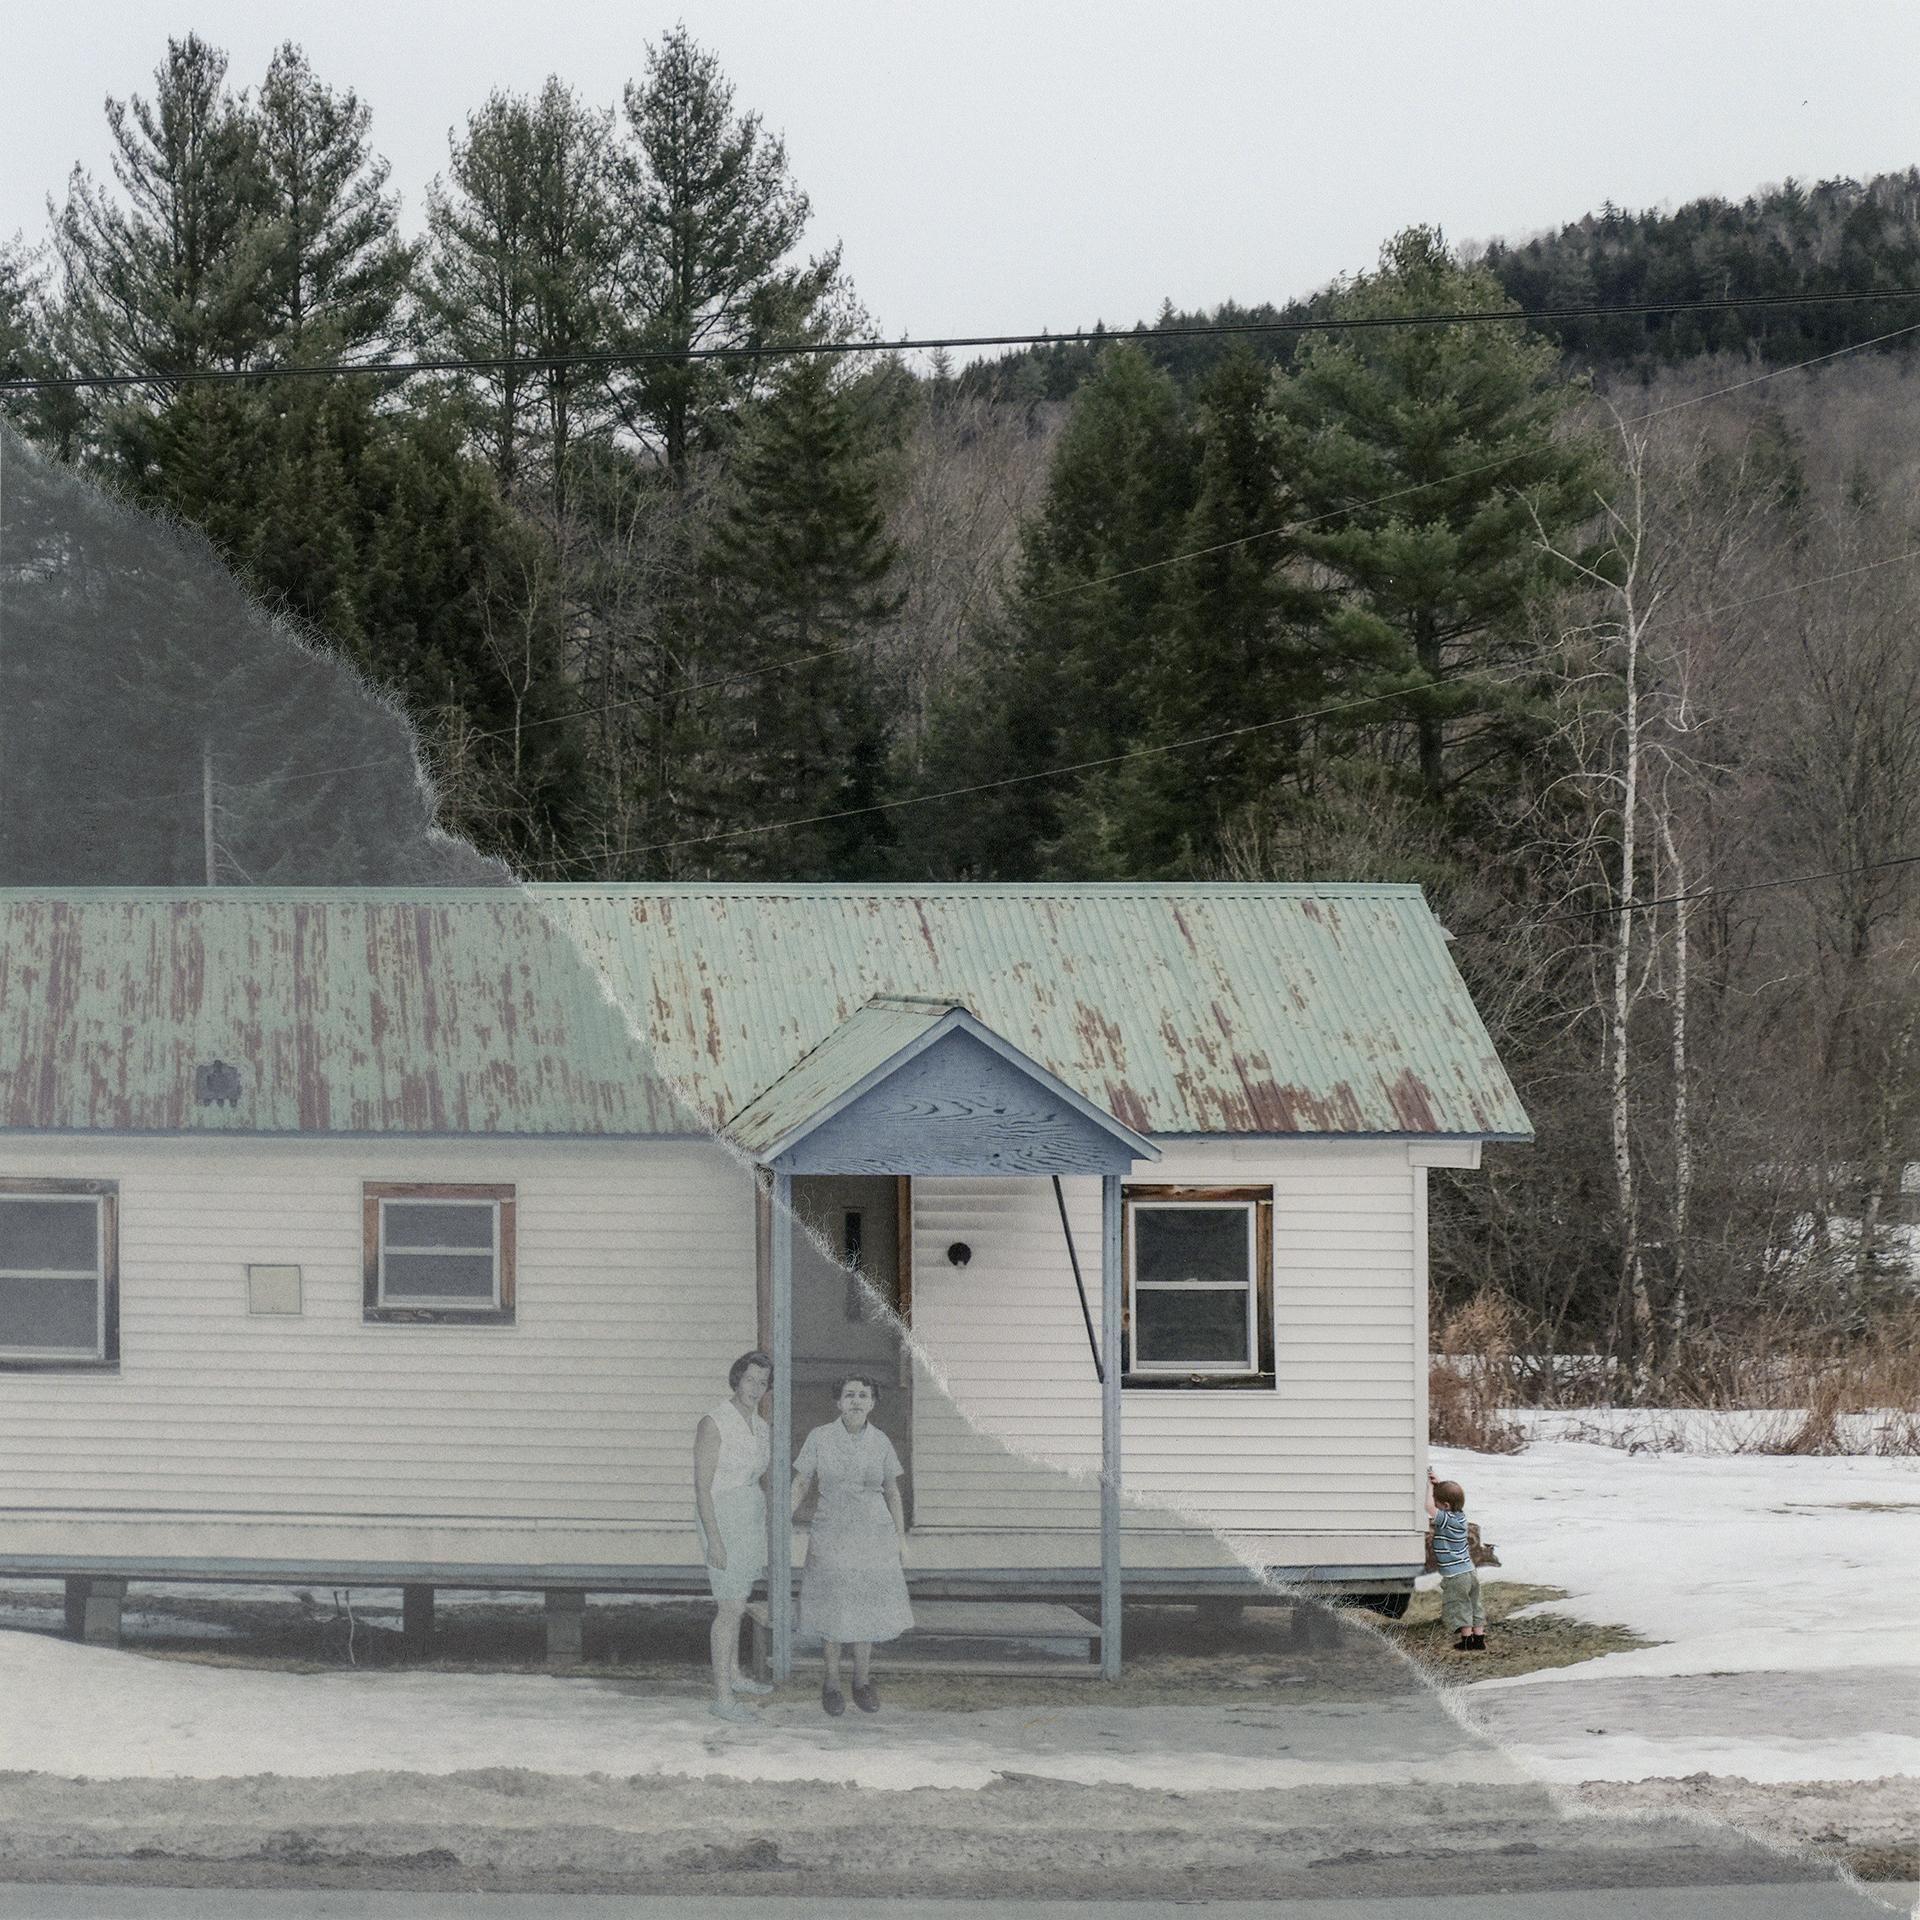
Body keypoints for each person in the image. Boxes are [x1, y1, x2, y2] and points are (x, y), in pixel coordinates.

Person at [791, 1373, 912, 1716]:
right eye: (849, 1395)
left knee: (866, 1610)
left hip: (873, 1535)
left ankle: (861, 1682)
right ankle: (830, 1684)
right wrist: (780, 1518)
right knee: (834, 1609)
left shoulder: (881, 1442)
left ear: (873, 1402)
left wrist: (900, 1538)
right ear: (838, 1402)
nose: (856, 1401)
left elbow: (892, 1491)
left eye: (863, 1395)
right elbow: (801, 1484)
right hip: (832, 1533)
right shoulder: (820, 1438)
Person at [695, 1350, 774, 1722]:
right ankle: (722, 1698)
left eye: (763, 1382)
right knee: (728, 1607)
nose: (756, 1388)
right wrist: (715, 1539)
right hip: (721, 1515)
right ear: (737, 1378)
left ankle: (736, 1675)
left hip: (748, 1514)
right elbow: (702, 1488)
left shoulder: (761, 1426)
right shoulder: (715, 1422)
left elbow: (759, 1476)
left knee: (739, 1598)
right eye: (750, 1380)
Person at [1427, 1467, 1486, 1652]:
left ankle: (1466, 1641)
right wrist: (1438, 1484)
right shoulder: (1460, 1516)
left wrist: (1429, 1487)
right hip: (1470, 1571)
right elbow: (1448, 1497)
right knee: (1474, 1604)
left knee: (1460, 1605)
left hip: (1456, 1575)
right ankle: (1479, 1639)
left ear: (1444, 1506)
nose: (1434, 1505)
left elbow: (1428, 1507)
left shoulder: (1445, 1519)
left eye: (1437, 1503)